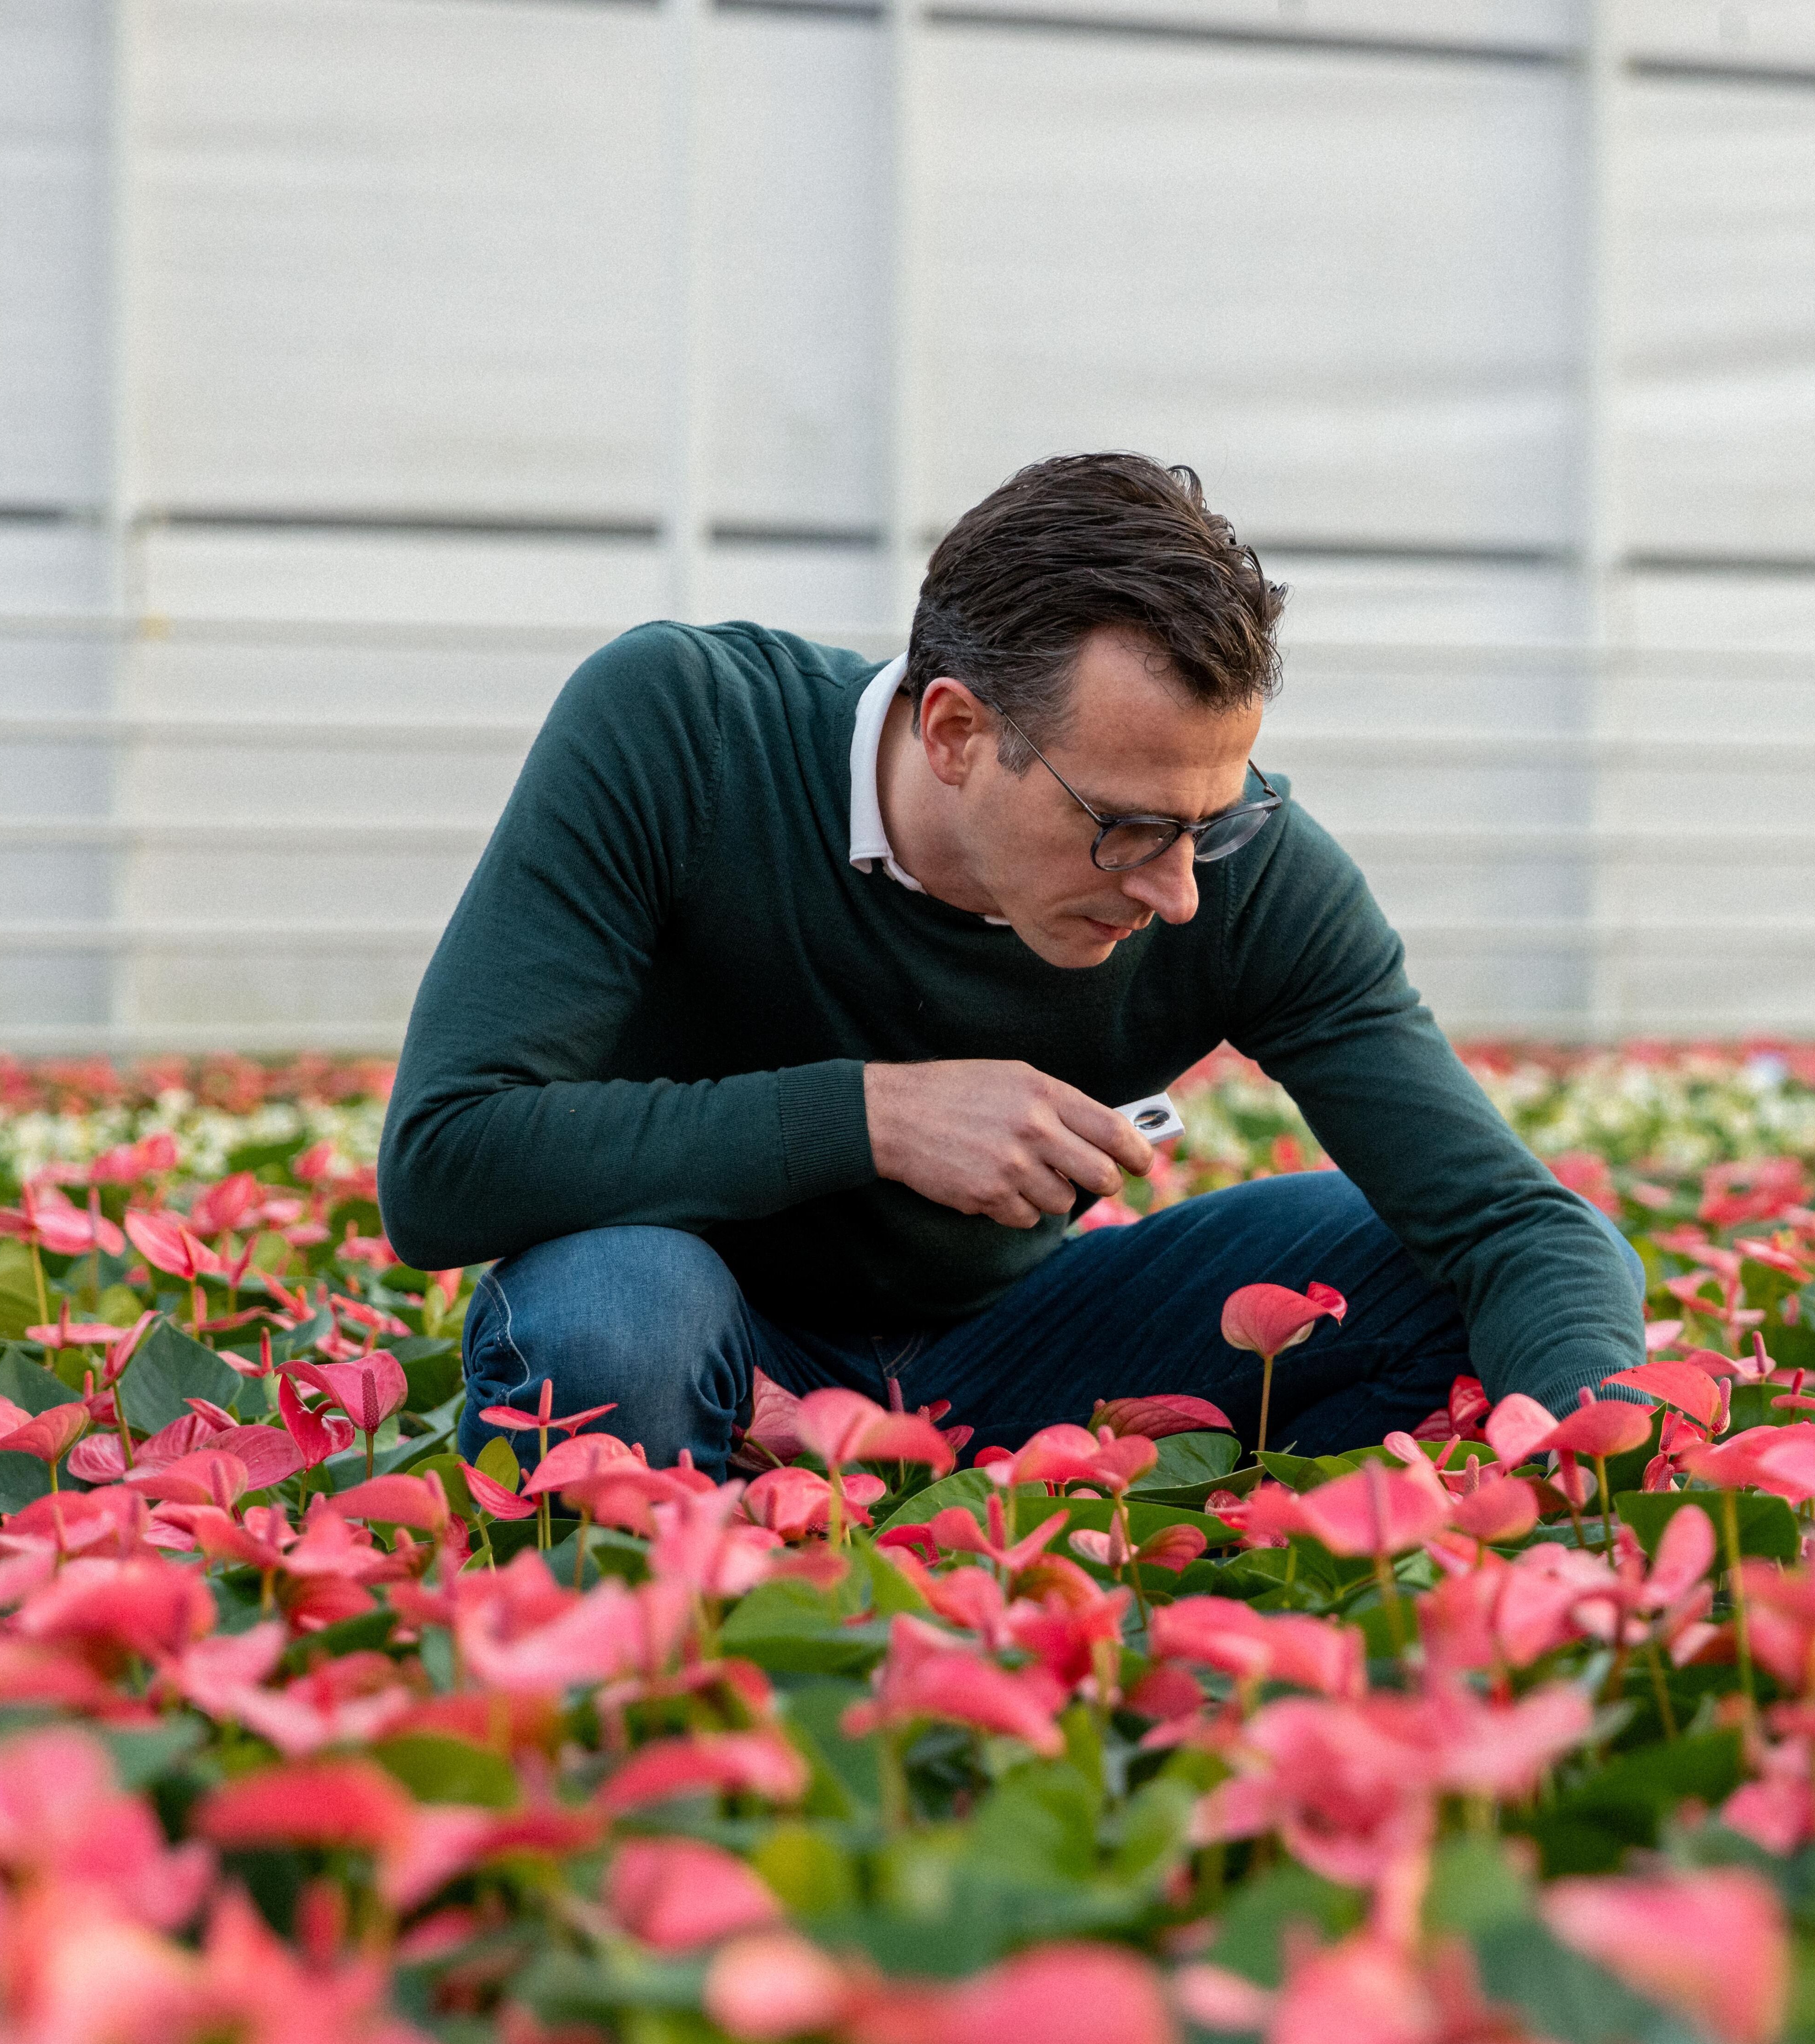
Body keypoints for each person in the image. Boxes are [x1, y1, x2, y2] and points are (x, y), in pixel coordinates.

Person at [380, 453, 1645, 1473]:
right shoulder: (685, 730)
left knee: (1434, 1266)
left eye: (1213, 818)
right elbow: (446, 1164)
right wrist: (868, 1114)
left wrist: (1584, 1497)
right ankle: (713, 1592)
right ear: (954, 731)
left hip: (1019, 1347)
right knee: (617, 1326)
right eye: (1126, 828)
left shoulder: (1243, 872)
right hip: (709, 1321)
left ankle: (1127, 1556)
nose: (1178, 889)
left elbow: (1515, 1228)